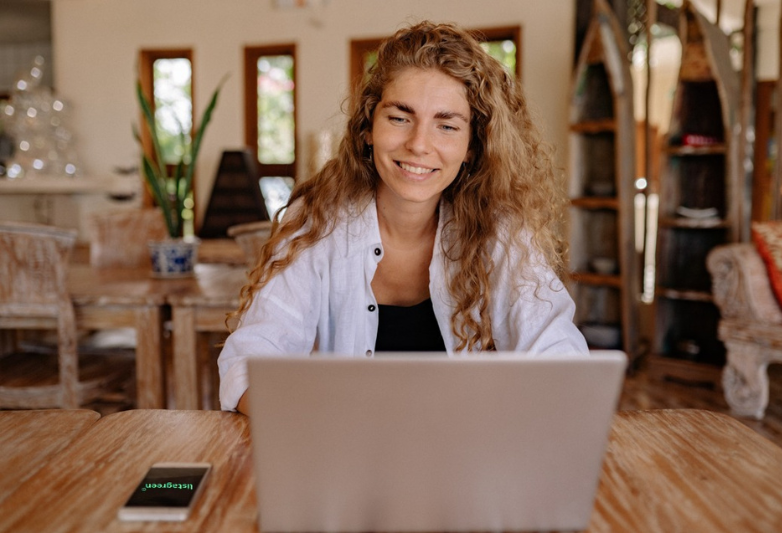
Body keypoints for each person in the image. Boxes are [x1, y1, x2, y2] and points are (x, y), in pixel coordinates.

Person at [219, 20, 588, 414]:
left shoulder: (499, 231)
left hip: (466, 455)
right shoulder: (316, 221)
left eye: (446, 125)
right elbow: (251, 359)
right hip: (347, 455)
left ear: (471, 147)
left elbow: (559, 356)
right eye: (399, 117)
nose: (418, 145)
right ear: (367, 127)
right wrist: (313, 421)